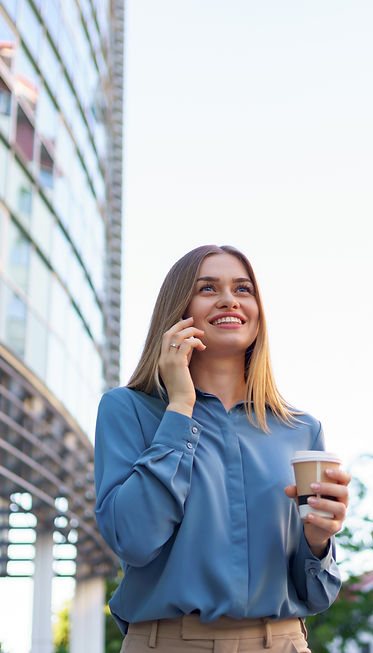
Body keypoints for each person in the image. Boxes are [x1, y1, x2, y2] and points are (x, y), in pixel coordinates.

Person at [94, 244, 351, 652]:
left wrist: (318, 541)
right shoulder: (128, 410)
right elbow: (134, 539)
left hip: (282, 642)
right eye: (208, 288)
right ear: (179, 310)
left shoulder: (301, 431)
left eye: (243, 288)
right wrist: (180, 409)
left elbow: (317, 595)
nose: (229, 299)